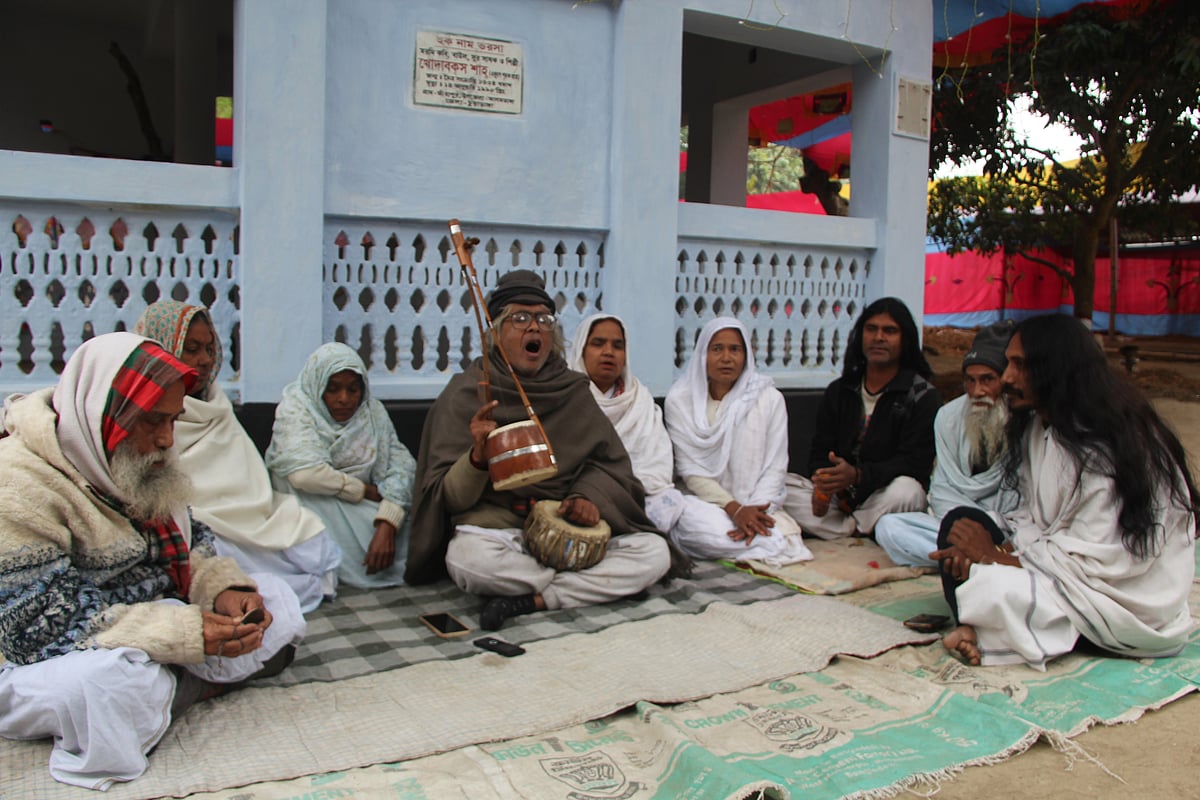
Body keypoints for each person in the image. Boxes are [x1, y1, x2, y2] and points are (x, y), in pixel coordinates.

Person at [0, 332, 305, 790]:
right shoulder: (17, 484)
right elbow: (39, 626)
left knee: (278, 598)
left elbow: (192, 544)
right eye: (151, 421)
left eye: (173, 420)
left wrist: (224, 590)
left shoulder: (130, 457)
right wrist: (183, 634)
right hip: (39, 654)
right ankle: (189, 685)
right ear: (106, 414)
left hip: (144, 623)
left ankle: (174, 688)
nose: (166, 439)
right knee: (101, 685)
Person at [406, 270, 682, 631]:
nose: (534, 327)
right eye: (520, 318)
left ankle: (535, 598)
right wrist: (476, 458)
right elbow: (447, 499)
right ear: (496, 331)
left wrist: (587, 498)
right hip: (502, 533)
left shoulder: (573, 390)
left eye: (544, 319)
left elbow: (609, 466)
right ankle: (579, 587)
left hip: (570, 532)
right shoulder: (466, 393)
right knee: (467, 562)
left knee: (654, 554)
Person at [932, 314, 1197, 669]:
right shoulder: (1040, 426)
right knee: (959, 525)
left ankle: (991, 627)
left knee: (992, 585)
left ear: (1055, 368)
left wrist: (993, 558)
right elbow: (1035, 518)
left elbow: (1103, 561)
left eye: (1019, 365)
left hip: (1118, 599)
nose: (1006, 377)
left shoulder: (1108, 445)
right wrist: (994, 549)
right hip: (1056, 571)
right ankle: (998, 625)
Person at [134, 301, 341, 611]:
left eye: (209, 349)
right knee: (210, 548)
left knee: (311, 536)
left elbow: (247, 478)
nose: (205, 360)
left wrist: (251, 513)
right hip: (201, 519)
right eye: (192, 349)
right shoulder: (143, 417)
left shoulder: (216, 404)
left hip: (250, 513)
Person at [784, 297, 941, 539]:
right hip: (841, 497)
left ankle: (848, 528)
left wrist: (858, 475)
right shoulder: (840, 390)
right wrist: (825, 483)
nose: (878, 337)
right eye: (871, 329)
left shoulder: (922, 396)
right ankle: (858, 527)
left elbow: (914, 464)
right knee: (781, 486)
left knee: (907, 491)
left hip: (885, 495)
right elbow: (820, 450)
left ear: (905, 340)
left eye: (889, 331)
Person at [659, 317, 813, 563]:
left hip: (755, 503)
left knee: (779, 537)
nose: (726, 358)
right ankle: (762, 542)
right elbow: (690, 471)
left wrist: (754, 512)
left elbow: (775, 466)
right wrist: (734, 509)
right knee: (692, 523)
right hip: (707, 504)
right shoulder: (680, 401)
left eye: (735, 349)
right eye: (717, 349)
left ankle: (753, 537)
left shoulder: (769, 399)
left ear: (746, 356)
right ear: (703, 354)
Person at [265, 342, 416, 589]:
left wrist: (388, 522)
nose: (344, 399)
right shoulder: (296, 410)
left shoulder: (372, 413)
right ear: (317, 386)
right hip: (312, 500)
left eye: (352, 389)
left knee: (414, 531)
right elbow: (304, 475)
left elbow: (402, 466)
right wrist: (362, 490)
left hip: (359, 506)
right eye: (332, 389)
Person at [875, 321, 1018, 567]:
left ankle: (969, 558)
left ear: (1006, 380)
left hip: (1006, 530)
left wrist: (986, 526)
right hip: (956, 525)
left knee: (1029, 544)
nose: (977, 391)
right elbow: (942, 490)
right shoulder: (949, 416)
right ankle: (969, 559)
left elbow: (1023, 503)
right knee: (889, 527)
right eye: (970, 380)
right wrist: (965, 531)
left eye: (987, 380)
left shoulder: (1024, 422)